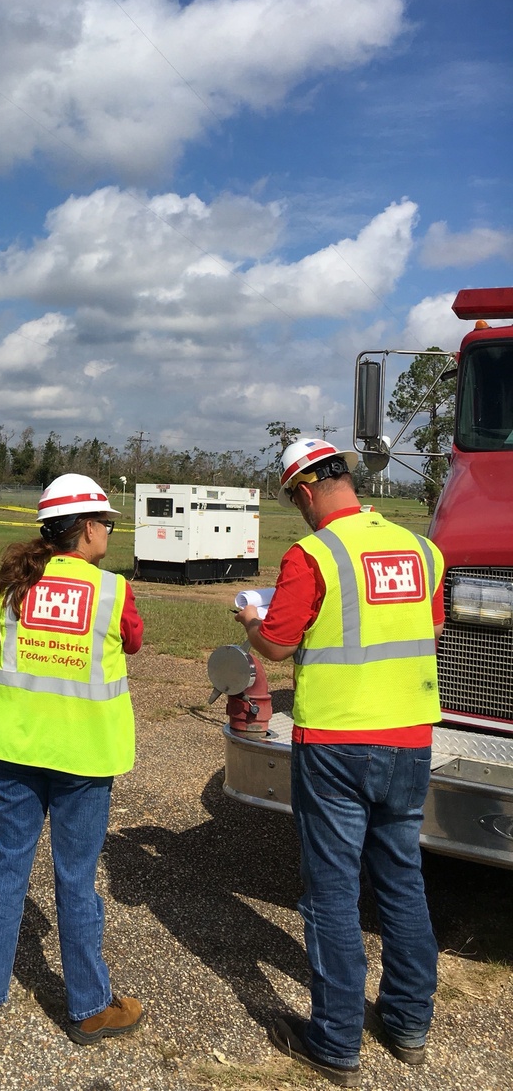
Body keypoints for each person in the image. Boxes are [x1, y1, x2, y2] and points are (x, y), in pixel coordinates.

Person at [235, 438, 444, 1087]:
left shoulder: (314, 554)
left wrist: (249, 618)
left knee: (330, 890)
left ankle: (333, 1039)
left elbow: (275, 643)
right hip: (409, 738)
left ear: (303, 491)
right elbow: (429, 630)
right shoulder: (422, 550)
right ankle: (408, 1022)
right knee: (401, 878)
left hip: (335, 744)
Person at [0, 473, 145, 1048]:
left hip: (14, 749)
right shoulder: (113, 592)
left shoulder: (13, 586)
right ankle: (88, 1008)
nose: (109, 531)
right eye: (107, 523)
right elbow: (133, 642)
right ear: (86, 527)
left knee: (7, 869)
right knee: (76, 879)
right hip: (84, 758)